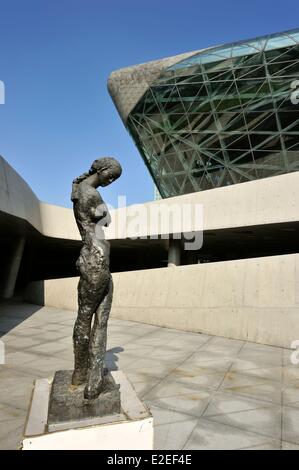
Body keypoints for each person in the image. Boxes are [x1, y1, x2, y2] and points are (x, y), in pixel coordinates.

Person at [71, 157, 122, 399]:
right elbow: (107, 220)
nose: (110, 181)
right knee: (91, 318)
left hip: (94, 258)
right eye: (110, 175)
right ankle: (90, 381)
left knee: (92, 316)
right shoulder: (89, 192)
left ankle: (82, 375)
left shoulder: (80, 191)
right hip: (96, 258)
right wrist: (106, 211)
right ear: (100, 170)